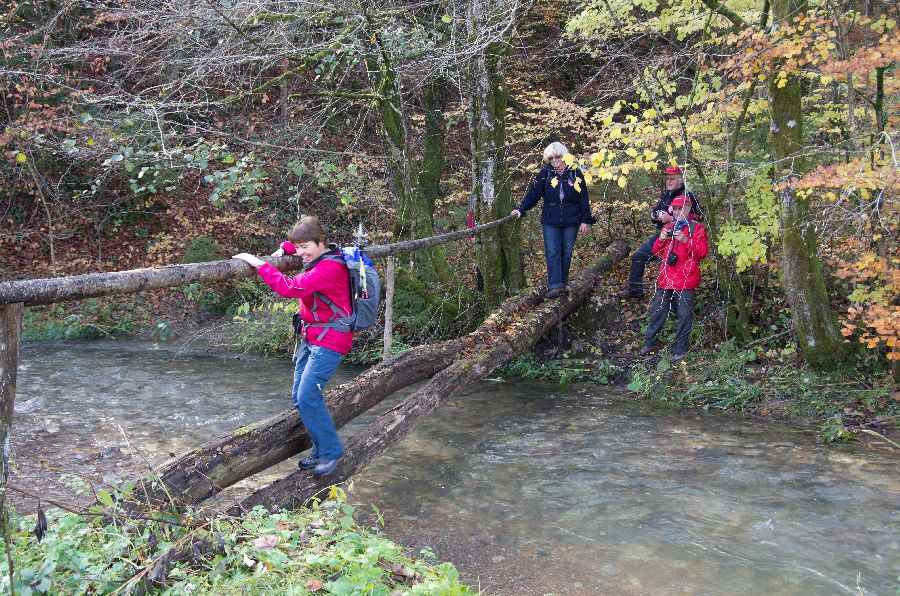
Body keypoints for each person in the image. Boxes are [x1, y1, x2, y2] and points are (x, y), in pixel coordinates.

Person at [232, 216, 351, 477]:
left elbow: (290, 288)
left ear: (321, 242)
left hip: (331, 342)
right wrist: (287, 248)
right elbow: (298, 245)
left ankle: (331, 452)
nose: (301, 254)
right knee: (300, 397)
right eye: (298, 248)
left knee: (308, 396)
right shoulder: (322, 254)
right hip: (313, 338)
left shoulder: (329, 269)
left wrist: (258, 263)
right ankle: (320, 452)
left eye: (304, 247)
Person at [511, 142, 595, 298]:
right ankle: (555, 286)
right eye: (551, 158)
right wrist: (521, 209)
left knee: (566, 252)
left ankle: (562, 284)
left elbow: (583, 197)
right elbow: (533, 194)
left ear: (564, 156)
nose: (554, 160)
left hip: (571, 219)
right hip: (550, 220)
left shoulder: (575, 173)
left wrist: (585, 219)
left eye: (557, 156)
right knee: (552, 252)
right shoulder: (545, 173)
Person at [639, 196, 709, 359]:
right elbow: (656, 252)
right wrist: (661, 239)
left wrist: (685, 240)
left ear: (688, 207)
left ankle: (680, 349)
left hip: (686, 278)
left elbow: (702, 253)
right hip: (666, 277)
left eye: (680, 208)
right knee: (658, 311)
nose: (677, 211)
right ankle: (649, 343)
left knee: (684, 314)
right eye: (675, 209)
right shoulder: (669, 226)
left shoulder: (696, 228)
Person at [618, 165, 701, 299]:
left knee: (669, 269)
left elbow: (694, 219)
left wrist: (671, 219)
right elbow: (656, 212)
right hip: (661, 237)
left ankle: (674, 308)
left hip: (678, 241)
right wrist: (654, 216)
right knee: (638, 257)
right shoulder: (667, 195)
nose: (669, 181)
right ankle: (635, 291)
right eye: (667, 178)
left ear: (681, 179)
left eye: (672, 179)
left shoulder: (687, 196)